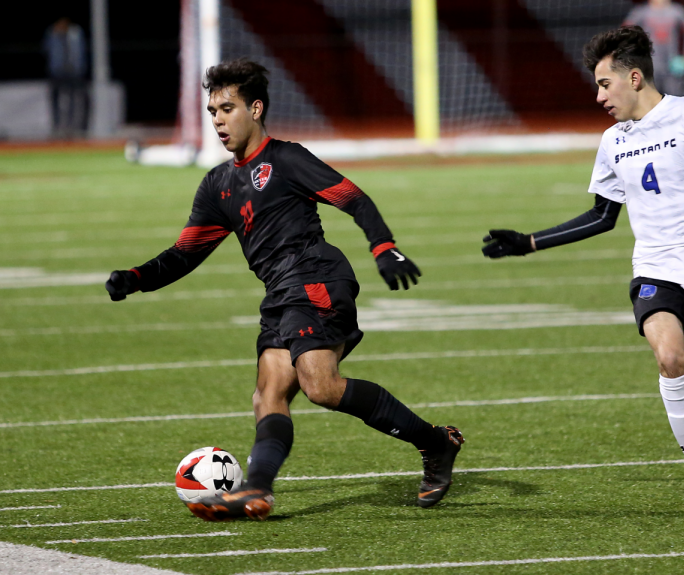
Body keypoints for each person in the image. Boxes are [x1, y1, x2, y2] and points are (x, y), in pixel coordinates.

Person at [105, 59, 464, 520]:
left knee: (321, 386)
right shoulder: (218, 183)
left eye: (227, 108)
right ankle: (256, 491)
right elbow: (184, 254)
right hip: (280, 292)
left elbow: (353, 197)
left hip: (316, 276)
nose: (217, 119)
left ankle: (436, 443)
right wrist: (135, 278)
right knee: (267, 394)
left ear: (255, 109)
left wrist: (384, 247)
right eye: (212, 109)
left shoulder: (287, 158)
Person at [481, 26, 684, 508]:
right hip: (656, 271)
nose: (598, 96)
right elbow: (602, 216)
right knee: (670, 357)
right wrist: (528, 242)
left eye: (604, 84)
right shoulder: (613, 141)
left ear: (633, 78)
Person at [623, 0, 684, 96]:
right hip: (648, 66)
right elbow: (623, 35)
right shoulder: (641, 12)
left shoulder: (677, 11)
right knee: (648, 101)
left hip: (671, 66)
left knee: (674, 100)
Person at [42, 17, 89, 135]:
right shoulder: (52, 33)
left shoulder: (76, 33)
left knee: (77, 99)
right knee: (55, 99)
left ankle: (75, 126)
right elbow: (46, 50)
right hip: (57, 72)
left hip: (74, 72)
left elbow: (81, 51)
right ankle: (57, 126)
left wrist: (79, 68)